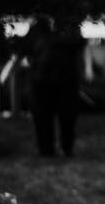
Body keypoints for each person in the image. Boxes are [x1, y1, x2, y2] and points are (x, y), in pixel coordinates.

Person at [17, 15, 86, 157]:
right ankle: (46, 149)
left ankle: (66, 147)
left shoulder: (68, 26)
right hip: (42, 80)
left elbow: (77, 44)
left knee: (67, 117)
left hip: (65, 79)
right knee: (42, 117)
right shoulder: (38, 27)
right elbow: (25, 49)